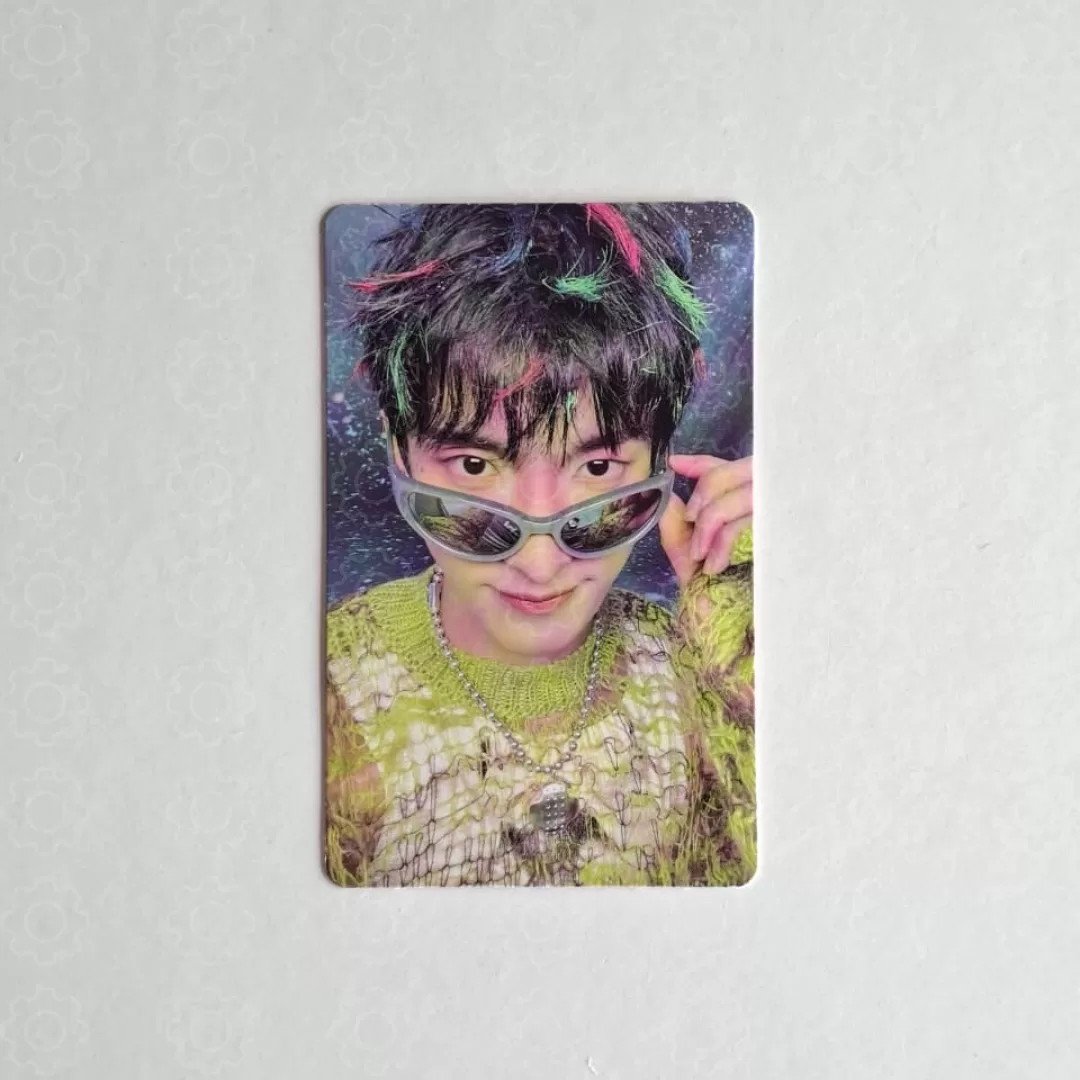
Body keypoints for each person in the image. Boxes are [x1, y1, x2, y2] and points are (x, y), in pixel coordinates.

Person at [325, 203, 754, 887]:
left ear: (662, 457)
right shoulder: (325, 687)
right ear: (397, 448)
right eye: (474, 466)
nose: (538, 561)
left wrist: (750, 658)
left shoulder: (700, 662)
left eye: (598, 468)